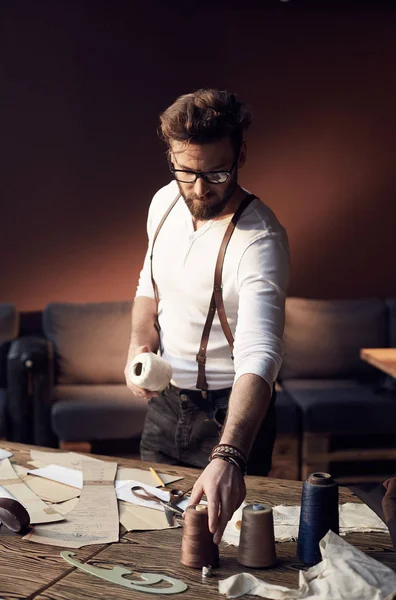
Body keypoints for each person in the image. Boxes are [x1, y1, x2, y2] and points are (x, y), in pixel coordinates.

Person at [124, 88, 290, 544]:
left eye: (216, 172)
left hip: (228, 415)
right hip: (164, 405)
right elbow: (147, 286)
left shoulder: (261, 239)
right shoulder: (163, 205)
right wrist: (139, 346)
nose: (200, 189)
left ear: (240, 156)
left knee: (225, 548)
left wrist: (231, 455)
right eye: (187, 170)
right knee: (150, 538)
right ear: (171, 155)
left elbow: (260, 353)